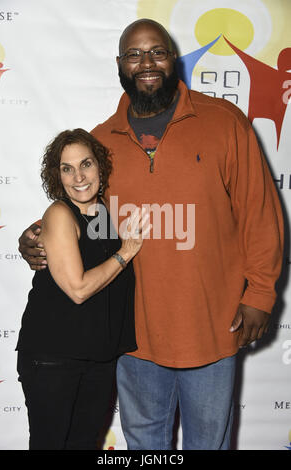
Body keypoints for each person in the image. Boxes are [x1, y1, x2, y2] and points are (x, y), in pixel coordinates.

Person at [18, 20, 284, 450]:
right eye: (134, 55)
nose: (147, 63)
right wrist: (34, 237)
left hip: (212, 329)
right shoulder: (102, 142)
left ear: (172, 58)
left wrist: (260, 296)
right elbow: (82, 215)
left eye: (156, 52)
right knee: (145, 448)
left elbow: (259, 213)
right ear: (120, 65)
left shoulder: (224, 123)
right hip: (133, 336)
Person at [16, 128, 149, 450]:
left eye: (85, 164)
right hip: (53, 358)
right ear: (56, 176)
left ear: (100, 167)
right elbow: (77, 289)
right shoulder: (59, 214)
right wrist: (126, 252)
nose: (78, 176)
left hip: (99, 357)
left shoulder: (106, 212)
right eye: (67, 168)